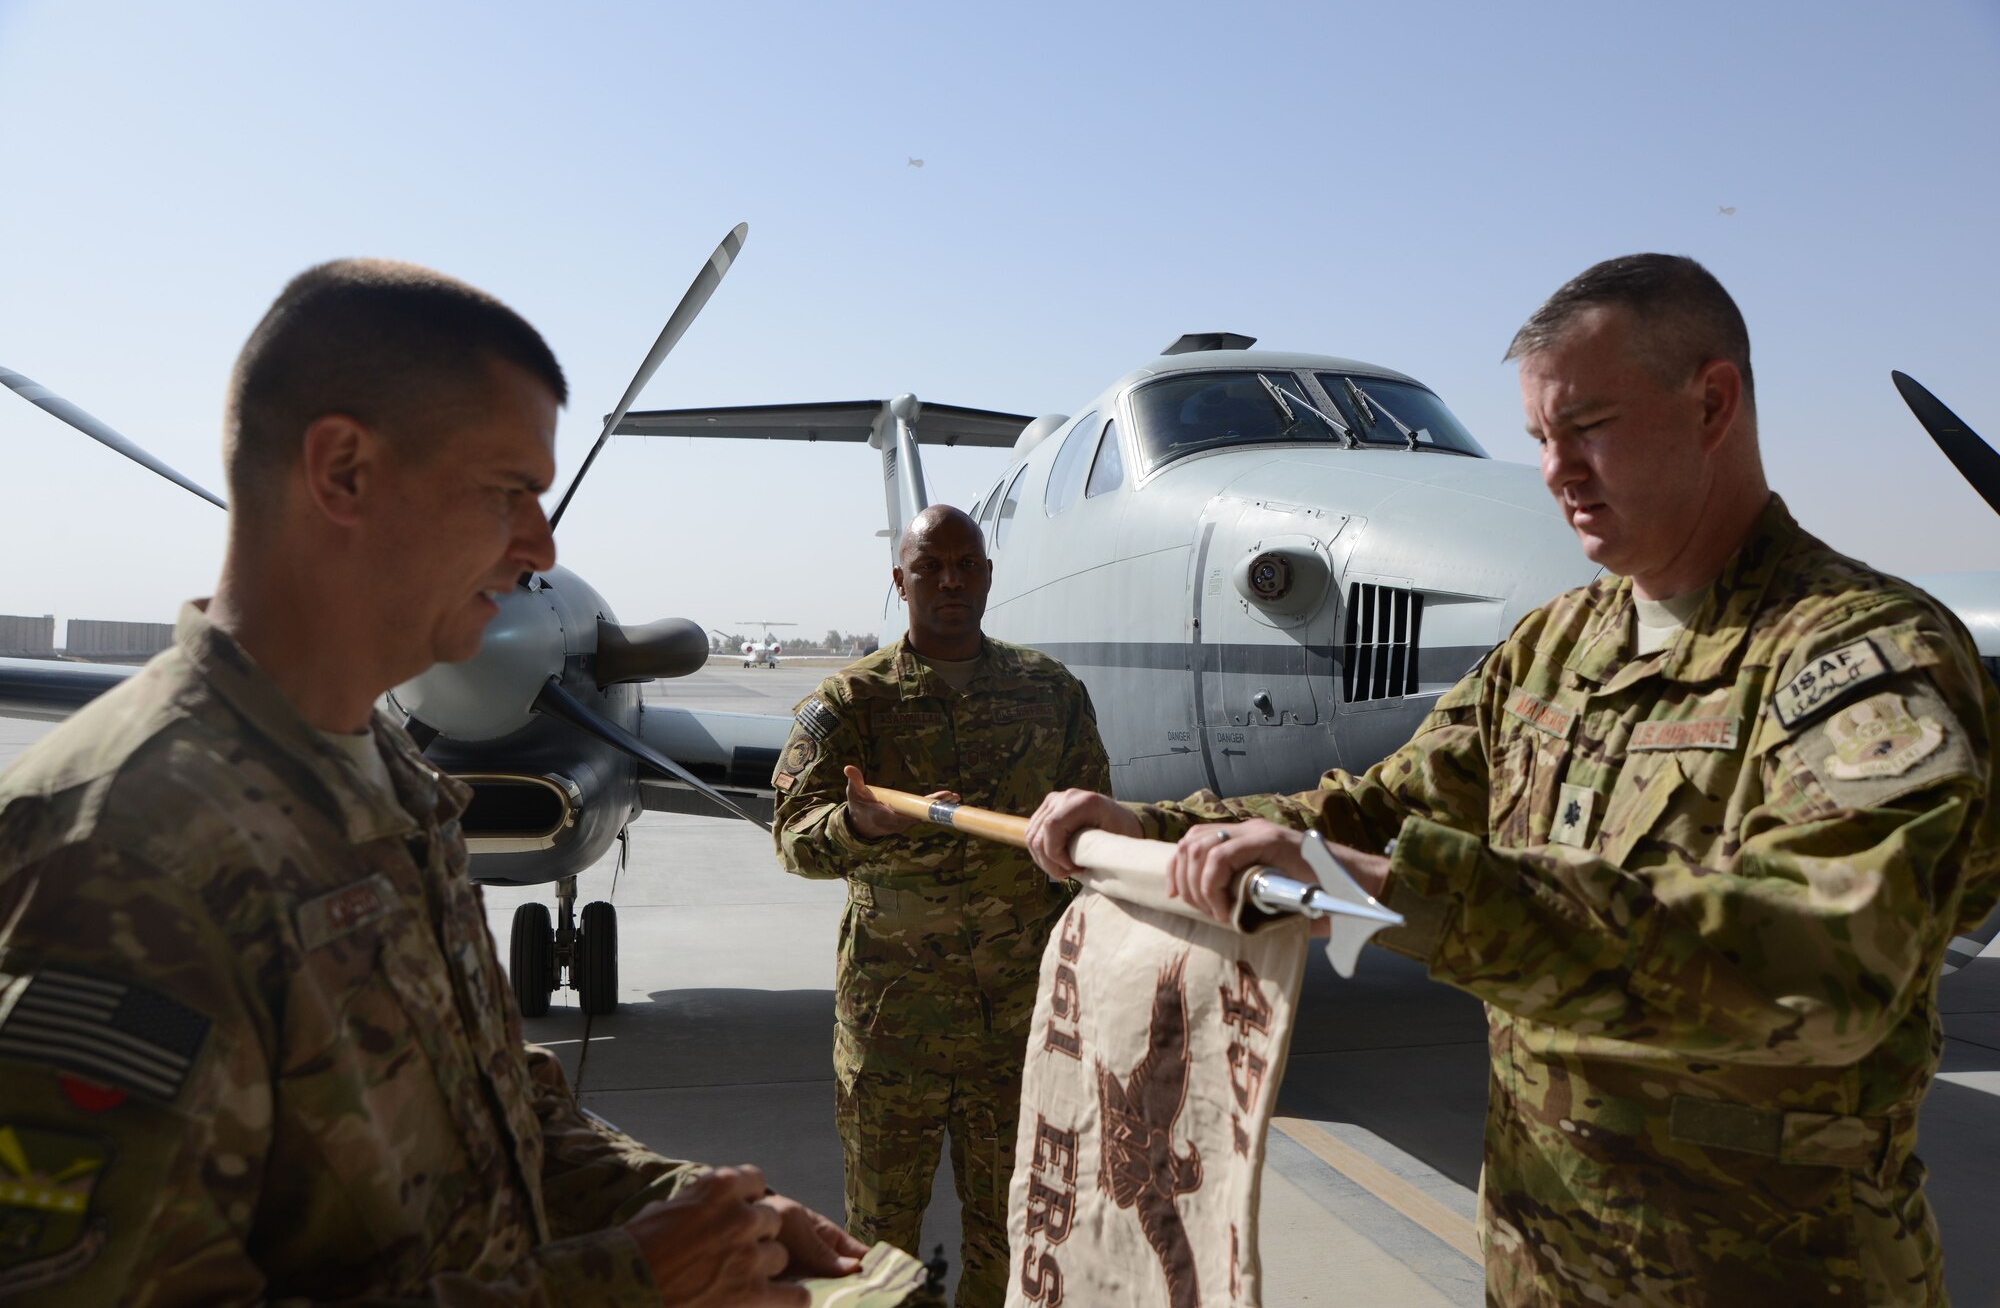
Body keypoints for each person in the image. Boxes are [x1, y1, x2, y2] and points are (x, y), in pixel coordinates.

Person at [1025, 254, 2000, 1306]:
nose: (1555, 471)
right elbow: (1381, 802)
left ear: (1711, 403)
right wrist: (1157, 827)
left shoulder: (1861, 657)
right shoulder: (1557, 646)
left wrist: (1413, 897)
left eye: (1587, 426)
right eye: (1539, 438)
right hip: (1542, 1272)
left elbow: (1831, 964)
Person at [0, 259, 864, 1305]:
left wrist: (704, 1211)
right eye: (508, 493)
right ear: (344, 472)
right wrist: (627, 1284)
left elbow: (499, 1115)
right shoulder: (116, 853)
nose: (539, 549)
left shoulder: (394, 785)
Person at [770, 505, 1111, 1308]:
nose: (950, 580)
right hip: (894, 1036)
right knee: (880, 1243)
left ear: (988, 574)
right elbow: (790, 836)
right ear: (900, 581)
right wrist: (856, 824)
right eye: (930, 567)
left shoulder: (1050, 693)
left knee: (1016, 1231)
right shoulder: (851, 702)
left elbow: (1094, 830)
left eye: (966, 564)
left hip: (1019, 1031)